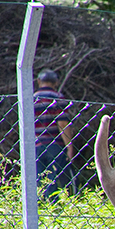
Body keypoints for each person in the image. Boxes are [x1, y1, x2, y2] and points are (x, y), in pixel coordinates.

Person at [33, 69, 75, 199]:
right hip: (55, 145)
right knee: (57, 179)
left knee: (39, 181)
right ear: (56, 82)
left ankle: (41, 208)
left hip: (35, 145)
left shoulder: (31, 98)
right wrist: (69, 147)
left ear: (39, 81)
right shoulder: (58, 98)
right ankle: (56, 209)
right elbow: (62, 123)